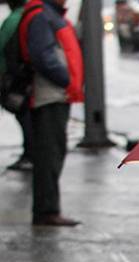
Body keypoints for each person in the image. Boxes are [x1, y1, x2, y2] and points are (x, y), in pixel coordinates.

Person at [15, 0, 81, 226]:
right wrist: (66, 80)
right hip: (49, 95)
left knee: (53, 151)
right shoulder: (42, 16)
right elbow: (42, 55)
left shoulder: (49, 14)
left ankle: (48, 208)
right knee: (49, 154)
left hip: (56, 94)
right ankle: (46, 210)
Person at [0, 0, 33, 172]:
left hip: (15, 77)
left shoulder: (13, 19)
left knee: (23, 114)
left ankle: (29, 154)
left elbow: (2, 46)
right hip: (25, 76)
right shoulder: (27, 15)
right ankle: (30, 153)